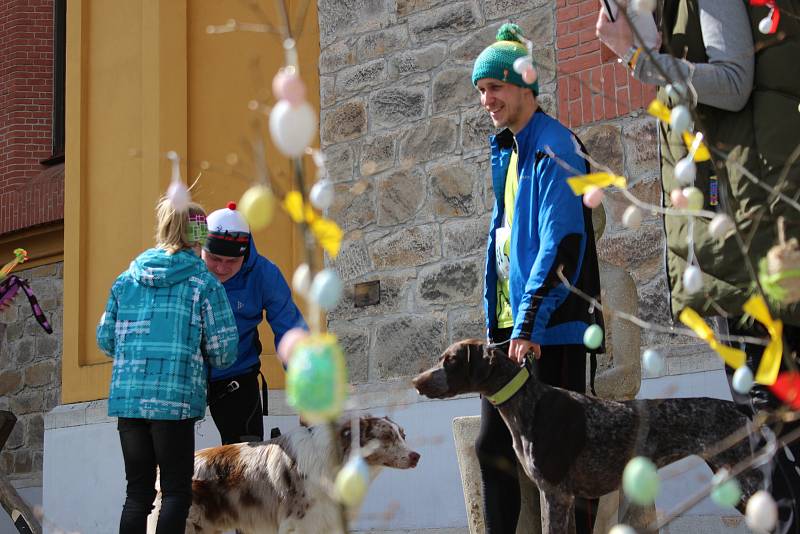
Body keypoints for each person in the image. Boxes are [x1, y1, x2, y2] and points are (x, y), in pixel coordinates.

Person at [597, 1, 800, 531]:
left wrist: (635, 56)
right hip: (758, 247)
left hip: (753, 253)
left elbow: (732, 82)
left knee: (772, 441)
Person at [473, 23, 605, 534]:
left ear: (525, 87)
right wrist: (504, 319)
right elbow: (507, 238)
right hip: (512, 327)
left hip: (553, 329)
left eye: (496, 87)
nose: (487, 99)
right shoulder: (508, 149)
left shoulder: (556, 146)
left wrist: (529, 322)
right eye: (482, 90)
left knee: (567, 455)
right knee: (494, 449)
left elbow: (563, 245)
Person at [96, 197, 238, 534]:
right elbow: (224, 352)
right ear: (198, 235)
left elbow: (105, 341)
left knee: (138, 494)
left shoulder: (125, 281)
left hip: (129, 402)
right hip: (173, 404)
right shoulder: (203, 285)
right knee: (175, 493)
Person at [201, 201, 307, 445]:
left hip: (236, 374)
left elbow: (290, 329)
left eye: (231, 261)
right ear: (200, 249)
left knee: (247, 460)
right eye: (214, 258)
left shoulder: (264, 274)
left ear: (246, 254)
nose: (221, 268)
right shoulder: (187, 269)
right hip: (186, 374)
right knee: (175, 465)